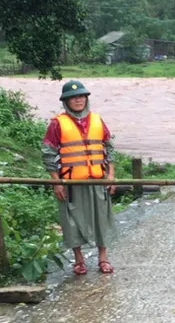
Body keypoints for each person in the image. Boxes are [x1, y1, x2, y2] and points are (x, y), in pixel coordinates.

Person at [41, 80, 117, 275]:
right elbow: (48, 153)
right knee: (71, 221)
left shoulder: (98, 120)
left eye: (81, 96)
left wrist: (111, 175)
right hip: (71, 183)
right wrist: (56, 181)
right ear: (66, 101)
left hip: (97, 181)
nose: (78, 100)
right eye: (73, 97)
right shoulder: (57, 123)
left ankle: (103, 259)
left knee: (102, 219)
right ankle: (79, 260)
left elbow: (109, 148)